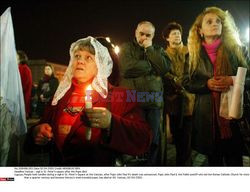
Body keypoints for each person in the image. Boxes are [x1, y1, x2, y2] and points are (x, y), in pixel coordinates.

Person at [24, 36, 152, 166]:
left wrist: (111, 123)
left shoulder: (121, 96)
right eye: (77, 56)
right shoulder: (60, 96)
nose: (80, 61)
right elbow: (42, 128)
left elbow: (144, 138)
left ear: (100, 65)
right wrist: (37, 132)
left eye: (88, 57)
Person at [183, 7, 250, 166]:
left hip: (234, 118)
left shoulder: (238, 50)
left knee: (235, 161)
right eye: (209, 21)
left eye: (218, 21)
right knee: (214, 162)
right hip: (207, 119)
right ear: (200, 31)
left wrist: (233, 80)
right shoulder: (192, 55)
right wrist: (206, 84)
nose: (215, 24)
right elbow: (186, 82)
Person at [119, 21, 171, 165]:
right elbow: (127, 69)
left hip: (153, 101)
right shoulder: (126, 47)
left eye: (148, 35)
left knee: (152, 140)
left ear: (153, 36)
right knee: (132, 139)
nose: (144, 37)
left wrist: (150, 50)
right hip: (132, 101)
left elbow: (164, 68)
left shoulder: (158, 50)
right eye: (141, 34)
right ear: (136, 32)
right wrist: (151, 65)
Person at [162, 22, 195, 166]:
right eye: (173, 33)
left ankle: (185, 165)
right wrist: (173, 82)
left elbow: (194, 72)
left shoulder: (190, 51)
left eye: (178, 33)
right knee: (177, 137)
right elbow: (163, 74)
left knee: (187, 138)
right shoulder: (163, 55)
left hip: (189, 102)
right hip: (173, 103)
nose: (177, 35)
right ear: (167, 38)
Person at [17, 50, 33, 118]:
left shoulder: (25, 68)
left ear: (20, 58)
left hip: (21, 96)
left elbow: (25, 84)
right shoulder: (14, 67)